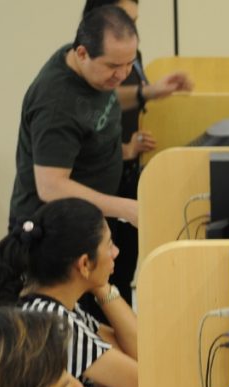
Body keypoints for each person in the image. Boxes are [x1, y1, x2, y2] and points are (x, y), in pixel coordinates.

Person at [8, 5, 191, 233]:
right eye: (114, 66)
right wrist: (125, 209)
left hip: (87, 217)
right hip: (51, 232)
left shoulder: (91, 71)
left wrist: (126, 148)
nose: (123, 75)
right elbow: (51, 187)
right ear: (83, 53)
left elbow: (92, 112)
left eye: (129, 64)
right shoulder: (55, 104)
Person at [80, 0, 192, 307]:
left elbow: (115, 104)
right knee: (102, 277)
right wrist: (125, 147)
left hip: (126, 170)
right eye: (123, 20)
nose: (131, 29)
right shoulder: (91, 62)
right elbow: (99, 106)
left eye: (134, 21)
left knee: (123, 268)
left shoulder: (130, 54)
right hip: (103, 183)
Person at [0, 197, 139, 387]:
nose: (116, 252)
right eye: (109, 245)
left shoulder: (46, 302)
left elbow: (133, 351)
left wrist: (102, 289)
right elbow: (145, 384)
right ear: (84, 264)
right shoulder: (54, 324)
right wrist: (103, 288)